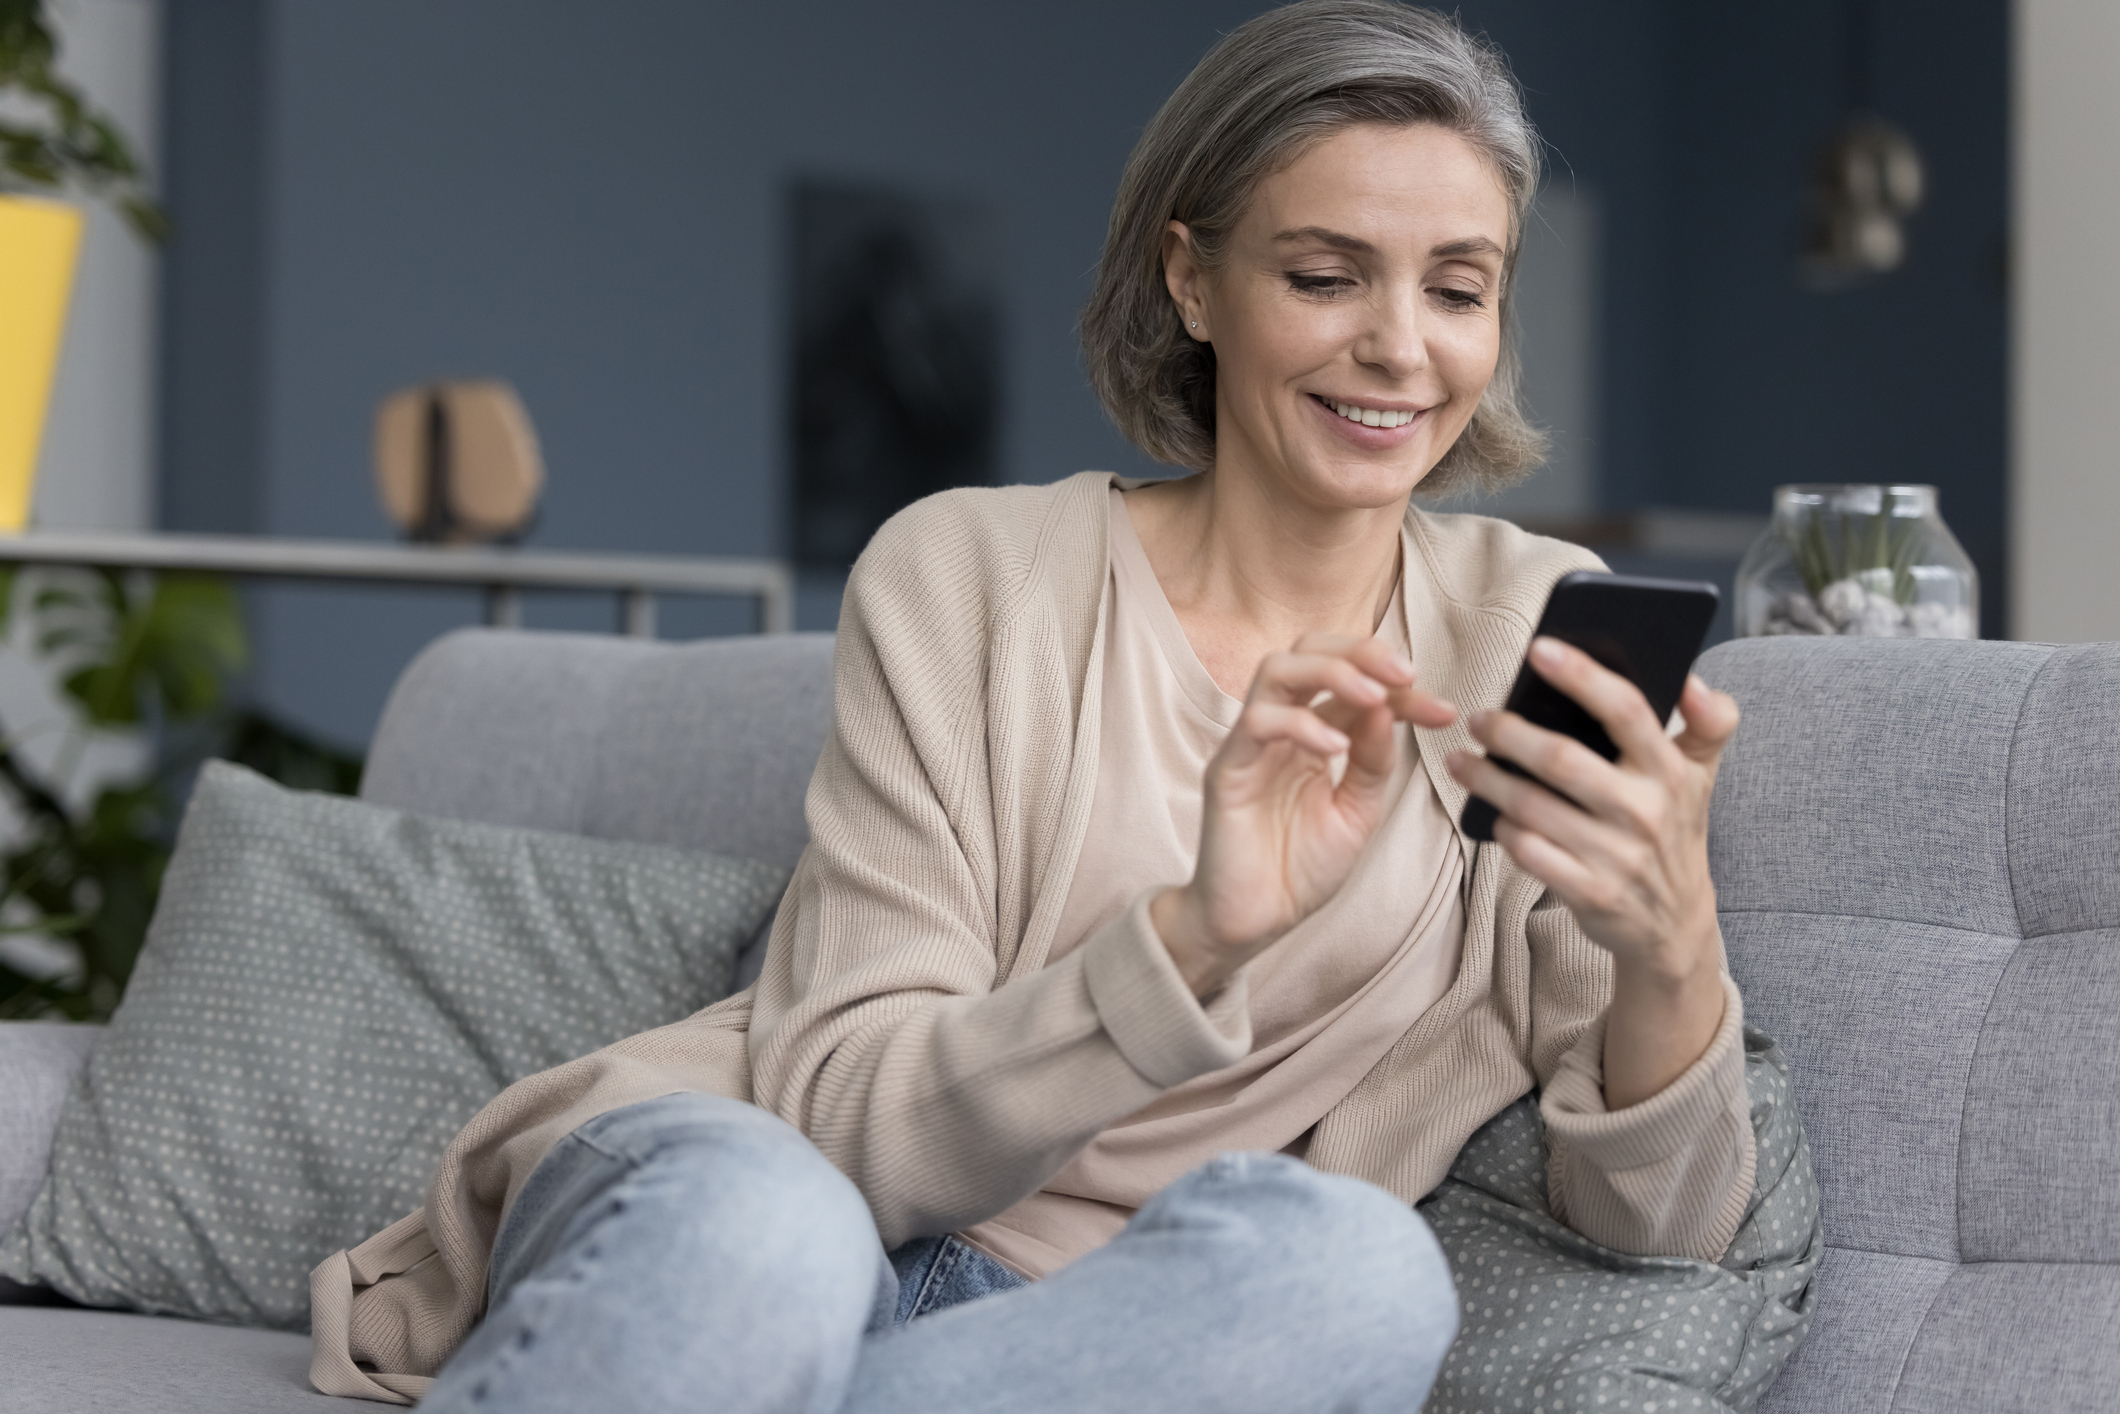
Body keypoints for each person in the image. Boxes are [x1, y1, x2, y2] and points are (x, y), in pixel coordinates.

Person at [312, 4, 1758, 1411]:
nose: (1400, 346)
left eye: (1457, 288)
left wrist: (1669, 935)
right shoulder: (972, 572)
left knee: (1361, 1274)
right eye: (1325, 276)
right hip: (760, 1206)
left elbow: (1664, 1222)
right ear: (1191, 280)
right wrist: (1196, 939)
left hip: (1083, 1340)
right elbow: (841, 1117)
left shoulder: (1527, 626)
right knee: (777, 1231)